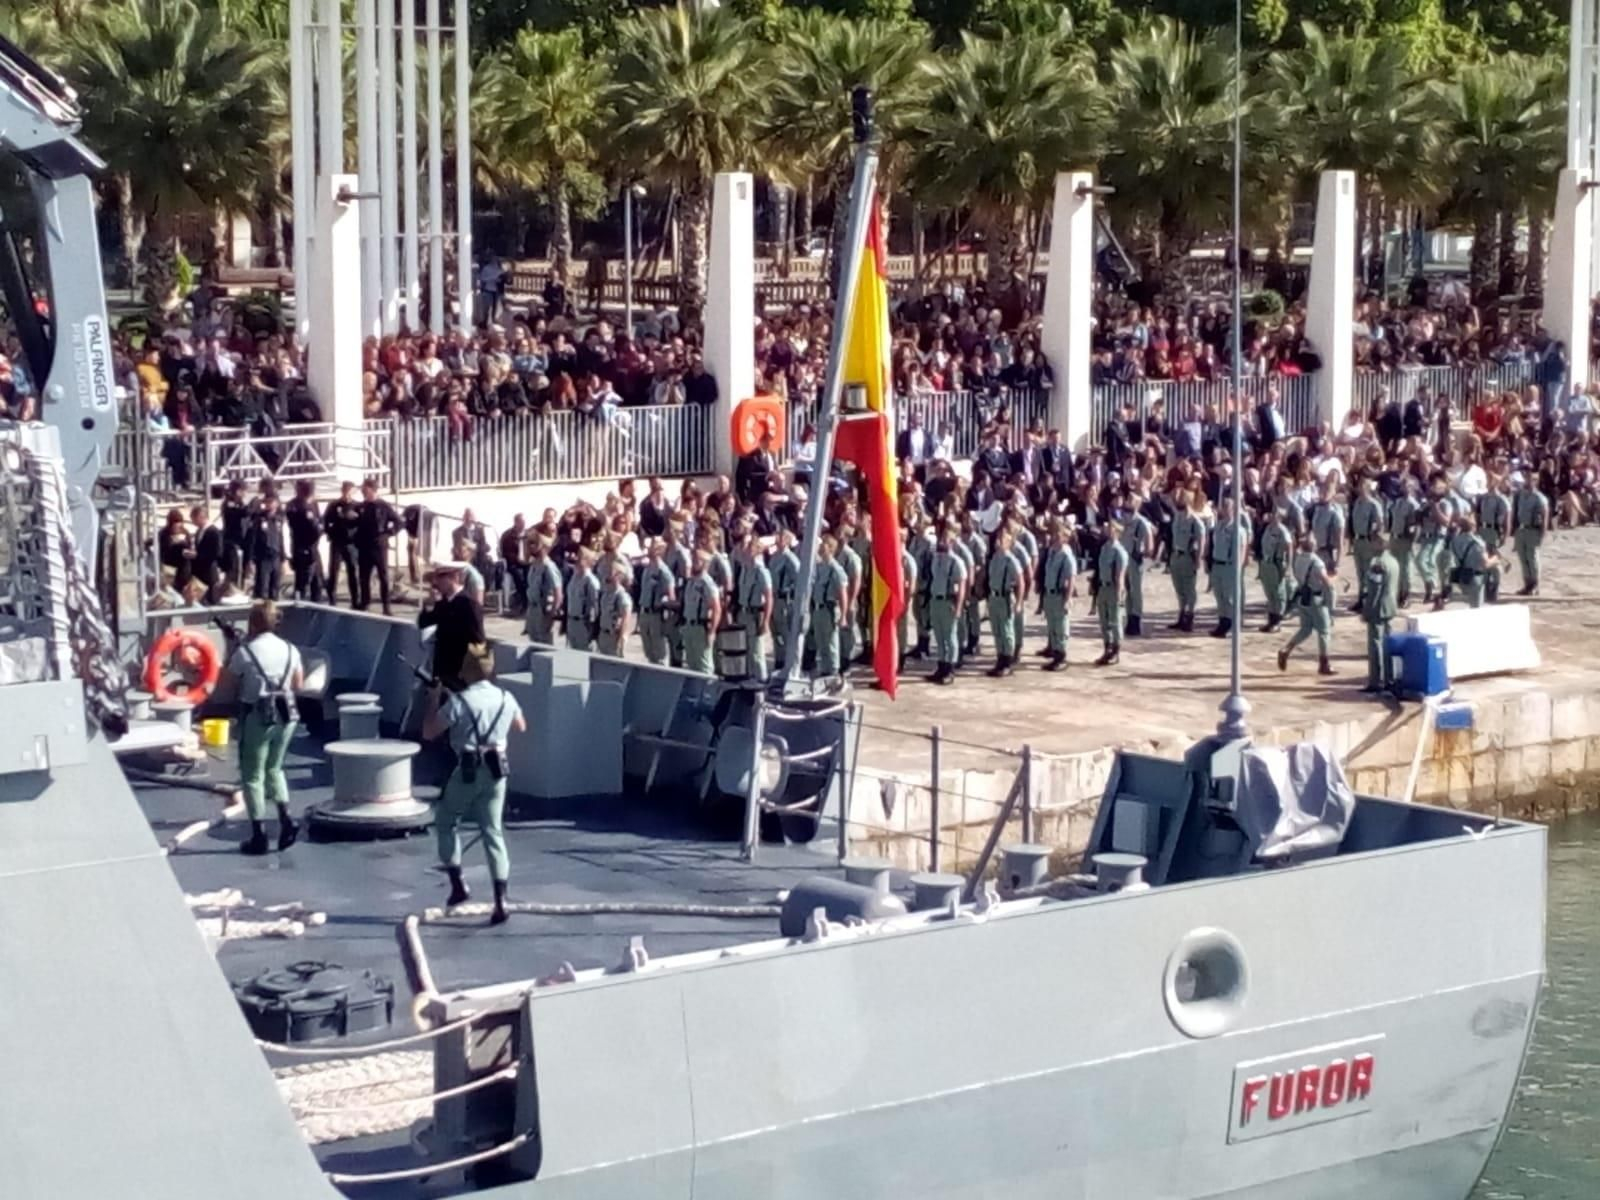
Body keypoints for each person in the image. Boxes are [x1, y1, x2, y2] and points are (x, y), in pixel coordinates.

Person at [422, 643, 526, 925]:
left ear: (466, 671)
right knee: (493, 831)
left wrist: (434, 699)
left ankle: (458, 885)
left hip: (468, 769)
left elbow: (429, 732)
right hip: (497, 770)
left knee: (446, 820)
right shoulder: (505, 697)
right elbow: (520, 725)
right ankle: (501, 900)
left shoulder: (459, 702)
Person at [218, 600, 303, 856]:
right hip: (287, 715)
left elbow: (226, 685)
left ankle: (259, 835)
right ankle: (287, 819)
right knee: (275, 768)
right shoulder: (291, 649)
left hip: (257, 716)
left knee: (253, 775)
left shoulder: (245, 652)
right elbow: (298, 684)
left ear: (252, 623)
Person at [418, 562, 485, 691]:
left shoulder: (469, 604)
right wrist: (429, 604)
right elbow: (423, 623)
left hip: (459, 672)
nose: (436, 582)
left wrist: (475, 674)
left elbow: (478, 640)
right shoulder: (443, 603)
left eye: (441, 577)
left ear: (454, 577)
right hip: (442, 671)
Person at [1277, 533, 1334, 676]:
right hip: (1316, 599)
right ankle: (1324, 663)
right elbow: (1327, 583)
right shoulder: (1317, 562)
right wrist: (1330, 604)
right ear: (1313, 545)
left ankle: (1287, 649)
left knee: (1305, 629)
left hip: (1302, 597)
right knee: (1324, 632)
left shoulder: (1298, 559)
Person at [926, 523, 967, 685]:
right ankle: (941, 665)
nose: (943, 541)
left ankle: (950, 668)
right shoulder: (936, 558)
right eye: (942, 537)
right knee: (939, 636)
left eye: (947, 538)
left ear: (953, 541)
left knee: (950, 637)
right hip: (936, 600)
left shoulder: (956, 562)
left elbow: (961, 586)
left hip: (948, 601)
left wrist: (958, 607)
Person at [1360, 530, 1400, 695]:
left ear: (1379, 543)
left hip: (1378, 608)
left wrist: (1367, 609)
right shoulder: (1393, 561)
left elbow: (1375, 590)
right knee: (1388, 642)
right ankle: (1389, 677)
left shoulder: (1377, 564)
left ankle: (1376, 680)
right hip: (1390, 606)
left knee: (1375, 644)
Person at [354, 477, 400, 615]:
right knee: (364, 576)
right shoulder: (361, 506)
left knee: (383, 576)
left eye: (365, 489)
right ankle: (365, 602)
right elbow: (355, 523)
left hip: (379, 546)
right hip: (364, 545)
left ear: (371, 490)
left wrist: (388, 533)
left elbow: (398, 521)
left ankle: (386, 606)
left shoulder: (383, 506)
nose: (363, 492)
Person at [1208, 497, 1250, 639]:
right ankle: (1223, 622)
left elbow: (1242, 549)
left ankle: (1234, 624)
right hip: (1217, 564)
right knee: (1219, 596)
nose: (1225, 510)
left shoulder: (1238, 529)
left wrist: (1238, 568)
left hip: (1229, 566)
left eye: (1228, 507)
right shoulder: (1218, 526)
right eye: (1224, 506)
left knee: (1230, 598)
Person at [808, 536, 848, 680]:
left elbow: (842, 593)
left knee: (831, 642)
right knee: (821, 641)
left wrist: (843, 615)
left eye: (824, 544)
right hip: (818, 608)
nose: (820, 547)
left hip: (829, 609)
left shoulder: (835, 569)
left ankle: (833, 671)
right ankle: (825, 670)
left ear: (831, 548)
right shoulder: (819, 566)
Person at [985, 527, 1023, 677]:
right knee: (997, 630)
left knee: (1007, 631)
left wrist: (1019, 602)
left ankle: (1007, 661)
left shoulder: (1010, 560)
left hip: (1005, 597)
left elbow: (1020, 581)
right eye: (998, 538)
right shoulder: (995, 558)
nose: (998, 541)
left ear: (1009, 541)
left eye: (1002, 538)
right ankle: (1000, 659)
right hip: (994, 597)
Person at [735, 531, 772, 679]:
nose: (745, 549)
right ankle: (750, 679)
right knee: (746, 649)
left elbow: (769, 597)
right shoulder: (744, 569)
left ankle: (761, 680)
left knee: (757, 652)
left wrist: (766, 622)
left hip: (755, 613)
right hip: (743, 612)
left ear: (757, 550)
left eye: (749, 546)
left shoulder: (761, 571)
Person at [1041, 520, 1077, 671]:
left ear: (1066, 537)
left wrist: (1068, 598)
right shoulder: (1052, 551)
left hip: (1059, 594)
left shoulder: (1066, 554)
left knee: (1061, 627)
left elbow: (1071, 578)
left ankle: (1061, 657)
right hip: (1049, 594)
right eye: (1055, 533)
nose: (1055, 536)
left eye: (1059, 534)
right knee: (1052, 626)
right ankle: (1054, 653)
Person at [679, 549, 722, 675]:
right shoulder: (691, 582)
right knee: (691, 663)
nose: (693, 563)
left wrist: (712, 631)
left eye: (696, 561)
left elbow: (716, 609)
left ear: (704, 563)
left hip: (700, 627)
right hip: (688, 626)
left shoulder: (707, 583)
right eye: (693, 560)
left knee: (704, 664)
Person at [1168, 490, 1204, 632]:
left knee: (1189, 589)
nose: (1178, 500)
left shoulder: (1195, 521)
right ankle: (1181, 614)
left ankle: (1189, 617)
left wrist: (1198, 559)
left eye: (1181, 498)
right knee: (1179, 588)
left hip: (1188, 556)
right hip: (1176, 555)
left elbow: (1201, 541)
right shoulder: (1177, 517)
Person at [1095, 516, 1128, 667]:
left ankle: (1116, 650)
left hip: (1113, 588)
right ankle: (1107, 648)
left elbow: (1120, 575)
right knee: (1104, 621)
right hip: (1103, 587)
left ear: (1118, 531)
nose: (1108, 530)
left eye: (1112, 528)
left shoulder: (1119, 552)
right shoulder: (1104, 548)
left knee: (1115, 621)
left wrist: (1119, 593)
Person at [636, 540, 675, 665]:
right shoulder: (647, 569)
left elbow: (671, 596)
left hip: (656, 615)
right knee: (648, 651)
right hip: (644, 612)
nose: (648, 550)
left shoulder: (663, 571)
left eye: (651, 547)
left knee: (660, 653)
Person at [285, 481, 325, 603]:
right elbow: (304, 526)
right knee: (302, 581)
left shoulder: (313, 504)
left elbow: (319, 522)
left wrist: (320, 527)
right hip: (301, 547)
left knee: (317, 581)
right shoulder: (294, 506)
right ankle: (299, 604)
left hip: (313, 547)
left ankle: (317, 605)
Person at [1119, 505, 1155, 638]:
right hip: (1124, 559)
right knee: (1127, 590)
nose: (1124, 516)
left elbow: (1149, 540)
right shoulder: (1123, 522)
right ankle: (1129, 616)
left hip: (1135, 559)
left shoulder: (1141, 523)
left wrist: (1146, 553)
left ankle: (1136, 618)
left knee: (1136, 590)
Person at [324, 480, 361, 607]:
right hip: (337, 543)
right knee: (334, 571)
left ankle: (355, 600)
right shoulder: (334, 505)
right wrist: (330, 533)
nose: (347, 495)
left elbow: (362, 523)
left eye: (350, 492)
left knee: (352, 571)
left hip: (351, 543)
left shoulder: (357, 506)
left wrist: (355, 520)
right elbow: (326, 521)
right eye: (345, 492)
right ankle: (332, 599)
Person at [769, 529, 801, 671]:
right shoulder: (774, 557)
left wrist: (789, 590)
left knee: (786, 632)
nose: (778, 539)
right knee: (776, 631)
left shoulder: (791, 559)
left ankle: (790, 661)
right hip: (774, 599)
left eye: (781, 537)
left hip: (785, 601)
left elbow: (798, 580)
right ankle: (779, 659)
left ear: (787, 540)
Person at [1387, 475, 1421, 608]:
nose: (1405, 488)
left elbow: (1416, 525)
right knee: (1396, 567)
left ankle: (1406, 595)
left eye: (1408, 485)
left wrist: (1413, 541)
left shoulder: (1414, 505)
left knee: (1406, 569)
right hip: (1395, 537)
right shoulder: (1397, 502)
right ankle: (1397, 593)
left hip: (1406, 539)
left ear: (1413, 488)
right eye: (1404, 485)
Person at [1257, 508, 1293, 633]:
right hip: (1266, 563)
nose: (1272, 516)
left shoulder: (1283, 531)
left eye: (1275, 514)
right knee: (1269, 592)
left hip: (1277, 563)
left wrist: (1288, 566)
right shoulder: (1268, 528)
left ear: (1280, 517)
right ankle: (1271, 620)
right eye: (1272, 513)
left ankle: (1277, 622)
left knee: (1278, 593)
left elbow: (1289, 547)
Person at [247, 490, 287, 601]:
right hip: (263, 558)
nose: (269, 504)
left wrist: (283, 559)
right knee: (262, 589)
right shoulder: (259, 519)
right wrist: (250, 560)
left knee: (275, 588)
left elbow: (280, 539)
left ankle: (273, 608)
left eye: (271, 502)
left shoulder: (279, 519)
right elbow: (253, 540)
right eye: (267, 502)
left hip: (276, 556)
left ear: (277, 503)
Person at [1512, 479, 1550, 596]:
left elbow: (1545, 516)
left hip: (1533, 529)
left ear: (1535, 482)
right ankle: (1527, 585)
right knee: (1523, 558)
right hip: (1521, 529)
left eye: (1530, 480)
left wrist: (1542, 533)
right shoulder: (1521, 495)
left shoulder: (1539, 498)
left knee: (1532, 558)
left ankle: (1535, 585)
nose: (1527, 482)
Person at [524, 538, 563, 646]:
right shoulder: (534, 565)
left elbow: (558, 592)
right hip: (532, 608)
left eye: (535, 544)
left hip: (543, 609)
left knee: (544, 644)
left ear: (545, 547)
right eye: (530, 544)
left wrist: (552, 612)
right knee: (533, 641)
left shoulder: (549, 566)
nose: (532, 547)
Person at [1451, 513, 1493, 608]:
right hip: (1475, 577)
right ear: (1473, 526)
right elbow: (1485, 563)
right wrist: (1495, 560)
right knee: (1476, 608)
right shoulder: (1477, 542)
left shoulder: (1455, 541)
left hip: (1461, 576)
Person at [565, 550, 601, 652]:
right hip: (571, 621)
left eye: (580, 558)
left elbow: (596, 607)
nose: (576, 560)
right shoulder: (574, 578)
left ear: (587, 561)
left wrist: (593, 629)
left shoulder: (591, 581)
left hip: (583, 623)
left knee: (585, 653)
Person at [596, 563, 634, 657]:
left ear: (619, 576)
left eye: (610, 573)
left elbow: (626, 617)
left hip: (613, 638)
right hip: (603, 635)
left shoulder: (621, 596)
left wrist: (621, 639)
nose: (607, 575)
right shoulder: (606, 594)